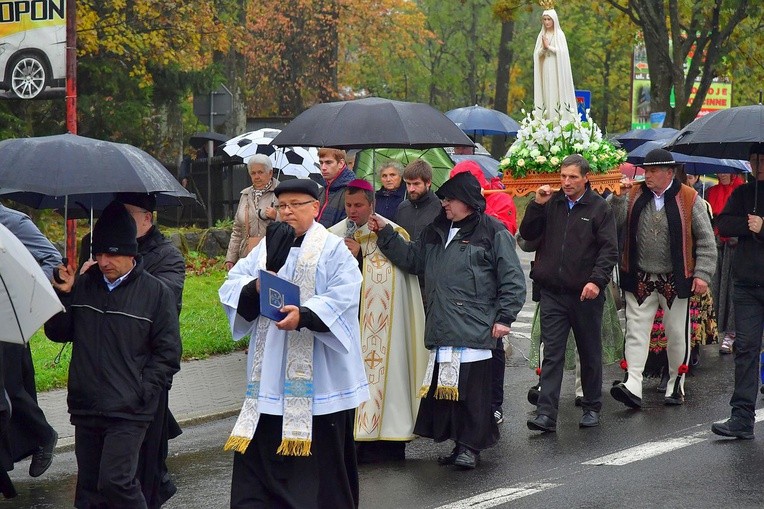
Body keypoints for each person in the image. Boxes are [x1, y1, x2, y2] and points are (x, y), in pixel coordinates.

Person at [219, 179, 370, 508]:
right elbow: (232, 284)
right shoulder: (265, 247)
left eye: (295, 205)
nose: (286, 212)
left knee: (320, 477)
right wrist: (257, 287)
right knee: (258, 472)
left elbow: (345, 296)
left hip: (320, 382)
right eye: (282, 205)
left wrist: (304, 316)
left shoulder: (332, 249)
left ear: (315, 208)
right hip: (269, 377)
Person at [368, 171, 526, 470]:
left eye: (450, 199)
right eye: (444, 199)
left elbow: (512, 279)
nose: (445, 205)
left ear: (467, 201)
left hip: (475, 324)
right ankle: (459, 443)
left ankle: (471, 446)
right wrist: (385, 234)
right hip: (443, 323)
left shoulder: (492, 232)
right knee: (449, 392)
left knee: (473, 393)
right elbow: (414, 260)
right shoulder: (436, 229)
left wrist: (505, 317)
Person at [45, 200, 181, 509]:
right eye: (99, 254)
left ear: (131, 253)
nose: (105, 262)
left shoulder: (154, 292)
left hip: (129, 409)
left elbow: (169, 352)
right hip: (88, 404)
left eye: (113, 254)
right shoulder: (84, 285)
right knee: (89, 492)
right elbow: (58, 332)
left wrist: (142, 391)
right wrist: (62, 296)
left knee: (116, 481)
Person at [329, 179, 427, 463]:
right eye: (348, 205)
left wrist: (361, 258)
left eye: (358, 205)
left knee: (390, 379)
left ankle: (390, 442)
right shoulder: (334, 234)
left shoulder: (391, 231)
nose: (352, 211)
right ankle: (357, 439)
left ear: (372, 205)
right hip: (351, 323)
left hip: (385, 329)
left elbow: (398, 272)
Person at [610, 148, 716, 408]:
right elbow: (612, 225)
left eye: (654, 171)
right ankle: (633, 383)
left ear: (670, 173)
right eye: (646, 170)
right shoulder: (632, 194)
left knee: (676, 334)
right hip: (639, 276)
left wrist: (702, 274)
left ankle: (675, 384)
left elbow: (705, 240)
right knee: (635, 331)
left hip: (675, 278)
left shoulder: (690, 198)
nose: (648, 175)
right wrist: (616, 200)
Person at [519, 155, 618, 431]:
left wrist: (596, 281)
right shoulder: (552, 204)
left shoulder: (598, 208)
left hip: (585, 293)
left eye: (572, 177)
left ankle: (591, 407)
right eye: (563, 176)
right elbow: (527, 233)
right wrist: (537, 204)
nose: (566, 182)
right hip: (553, 291)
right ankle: (546, 414)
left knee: (589, 351)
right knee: (552, 353)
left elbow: (609, 249)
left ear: (586, 178)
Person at [449, 160, 517, 424]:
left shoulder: (498, 200)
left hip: (490, 291)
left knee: (494, 351)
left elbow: (506, 235)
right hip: (462, 293)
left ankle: (494, 404)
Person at [0, 203, 61, 495]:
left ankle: (43, 435)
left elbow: (52, 258)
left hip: (10, 317)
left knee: (10, 389)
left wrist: (26, 296)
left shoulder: (14, 221)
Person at [711, 144, 764, 439]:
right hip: (746, 286)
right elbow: (723, 223)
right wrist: (748, 224)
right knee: (745, 349)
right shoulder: (744, 193)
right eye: (754, 160)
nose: (757, 165)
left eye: (762, 160)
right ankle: (742, 417)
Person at [707, 172, 745, 354]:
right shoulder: (712, 191)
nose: (721, 175)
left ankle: (732, 333)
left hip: (736, 247)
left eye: (724, 171)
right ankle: (720, 329)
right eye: (719, 171)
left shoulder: (742, 190)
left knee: (732, 291)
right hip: (718, 246)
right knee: (717, 290)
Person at [225, 155, 279, 270]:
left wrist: (277, 216)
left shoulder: (281, 192)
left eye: (260, 172)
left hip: (273, 255)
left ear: (270, 173)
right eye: (253, 173)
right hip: (247, 255)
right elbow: (237, 230)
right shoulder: (245, 195)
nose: (257, 176)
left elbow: (292, 222)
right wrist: (231, 258)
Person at [533, 9, 577, 121]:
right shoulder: (541, 35)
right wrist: (543, 49)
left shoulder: (560, 35)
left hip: (557, 69)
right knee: (547, 93)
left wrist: (549, 47)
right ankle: (547, 119)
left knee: (556, 93)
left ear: (554, 20)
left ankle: (558, 120)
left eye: (549, 19)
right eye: (544, 19)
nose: (546, 22)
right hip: (546, 67)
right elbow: (537, 54)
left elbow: (563, 53)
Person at [394, 159, 441, 242]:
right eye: (408, 184)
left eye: (416, 184)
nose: (411, 189)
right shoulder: (402, 208)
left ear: (428, 182)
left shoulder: (441, 208)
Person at [317, 148, 355, 228]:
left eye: (328, 162)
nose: (323, 167)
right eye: (321, 162)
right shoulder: (321, 190)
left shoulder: (352, 191)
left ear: (341, 163)